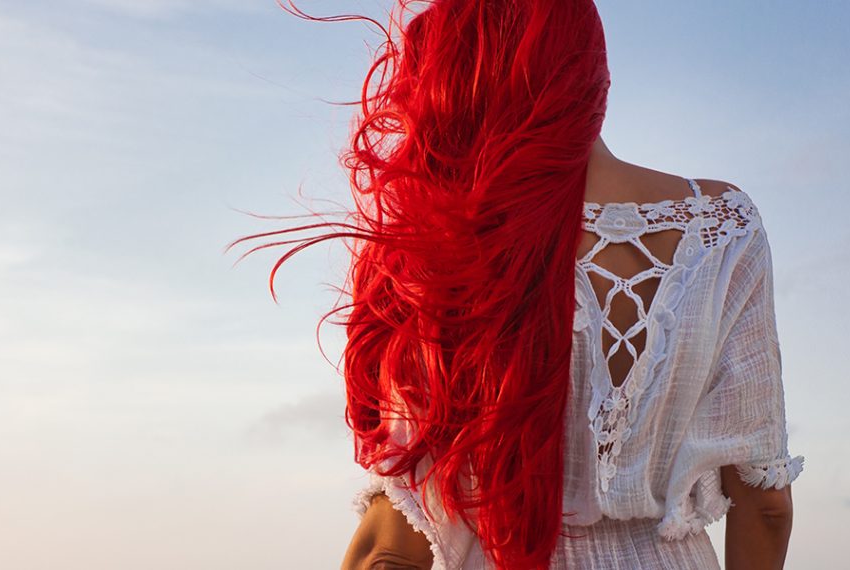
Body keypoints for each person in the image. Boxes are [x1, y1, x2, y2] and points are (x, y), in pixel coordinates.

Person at [227, 1, 802, 568]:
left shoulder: (433, 245)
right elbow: (765, 501)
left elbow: (403, 522)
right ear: (595, 79)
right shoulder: (721, 227)